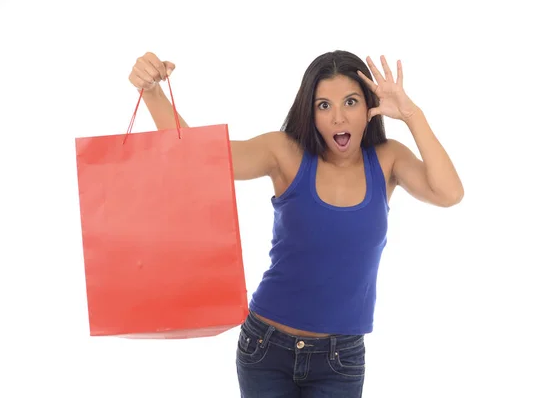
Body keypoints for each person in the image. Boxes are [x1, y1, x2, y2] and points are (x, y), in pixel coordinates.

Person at [128, 49, 464, 397]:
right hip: (266, 347)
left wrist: (411, 114)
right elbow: (200, 159)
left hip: (341, 359)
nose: (338, 118)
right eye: (324, 105)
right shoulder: (284, 153)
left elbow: (449, 192)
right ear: (310, 111)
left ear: (369, 108)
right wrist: (152, 92)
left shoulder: (388, 159)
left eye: (350, 102)